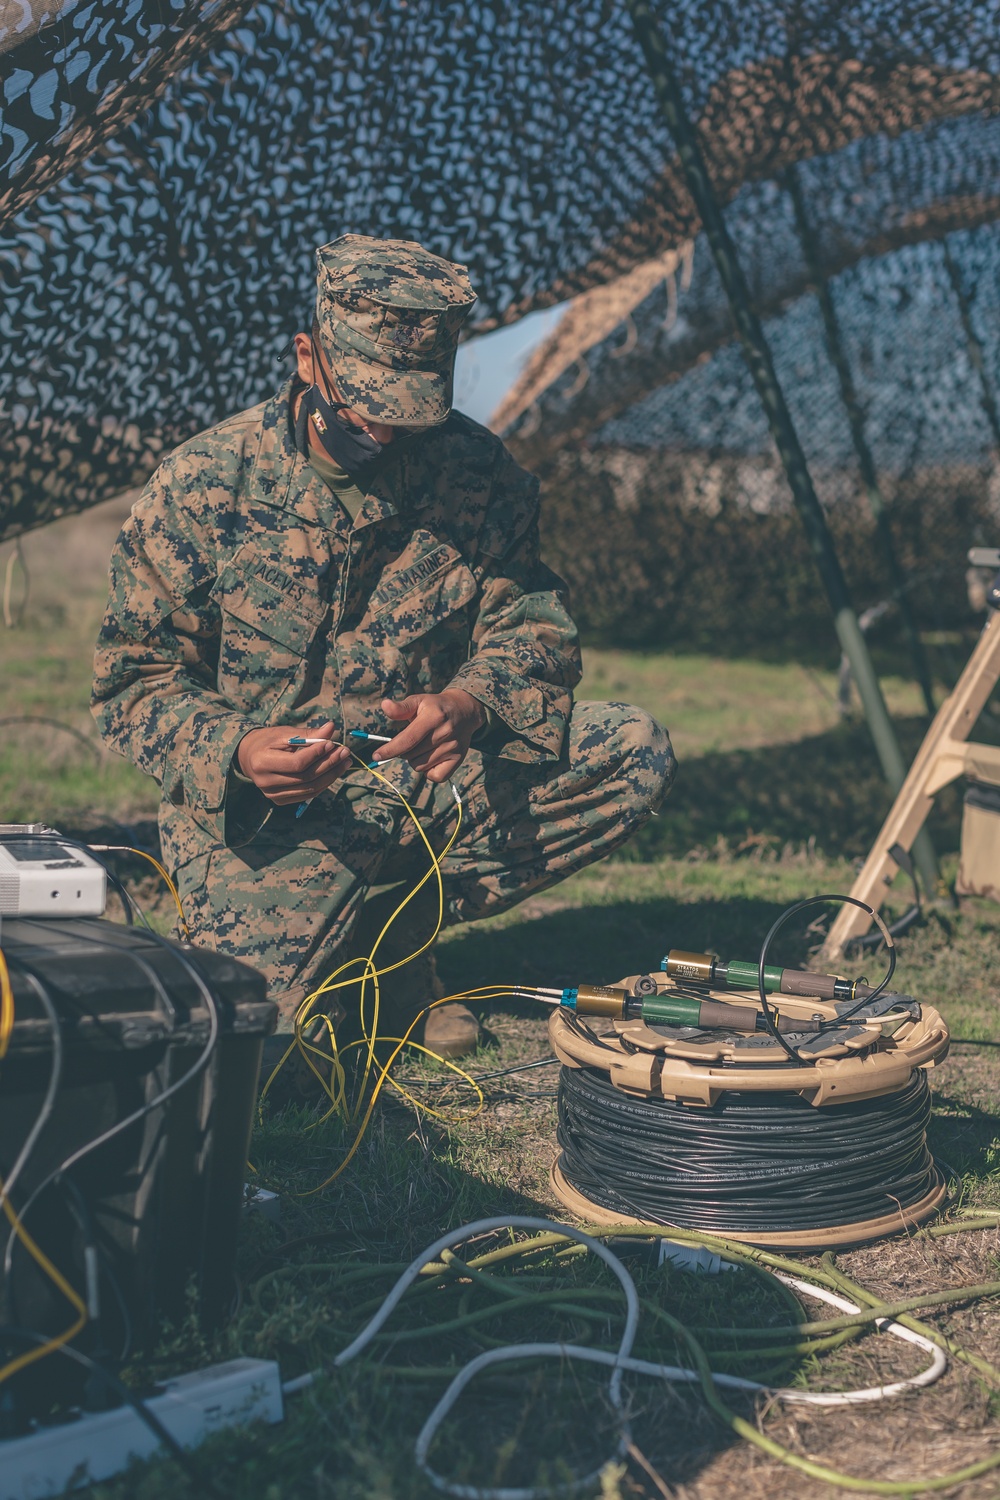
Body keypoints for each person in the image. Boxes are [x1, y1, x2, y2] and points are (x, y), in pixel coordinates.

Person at [92, 235, 675, 1064]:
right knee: (253, 1056)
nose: (385, 427)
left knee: (630, 749)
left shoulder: (479, 476)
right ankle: (359, 966)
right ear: (308, 358)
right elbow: (134, 679)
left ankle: (392, 947)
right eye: (366, 399)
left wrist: (466, 706)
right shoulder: (204, 483)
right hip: (264, 820)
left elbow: (534, 630)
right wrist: (239, 749)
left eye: (410, 406)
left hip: (415, 790)